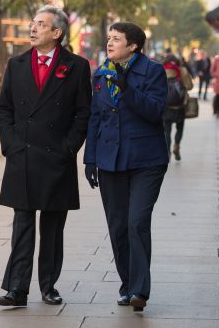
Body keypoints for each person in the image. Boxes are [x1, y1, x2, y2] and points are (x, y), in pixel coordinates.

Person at [0, 6, 92, 307]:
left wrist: (68, 148)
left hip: (56, 158)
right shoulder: (17, 63)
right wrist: (10, 145)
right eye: (32, 23)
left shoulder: (76, 66)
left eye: (40, 24)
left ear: (57, 32)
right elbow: (4, 110)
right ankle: (16, 289)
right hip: (22, 156)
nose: (32, 28)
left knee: (52, 228)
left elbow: (82, 113)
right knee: (22, 225)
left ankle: (49, 286)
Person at [84, 22, 169, 312]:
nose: (109, 43)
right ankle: (127, 284)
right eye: (109, 38)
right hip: (110, 159)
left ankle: (139, 291)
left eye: (116, 39)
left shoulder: (153, 71)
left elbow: (155, 111)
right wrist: (90, 158)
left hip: (147, 160)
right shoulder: (101, 73)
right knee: (118, 226)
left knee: (136, 222)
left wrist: (127, 88)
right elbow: (95, 118)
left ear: (132, 45)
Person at [162, 53, 194, 161]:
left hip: (166, 106)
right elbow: (190, 86)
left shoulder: (161, 69)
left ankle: (167, 152)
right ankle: (176, 146)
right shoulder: (182, 70)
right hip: (180, 106)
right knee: (179, 128)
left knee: (167, 130)